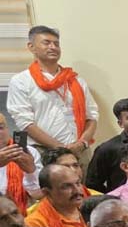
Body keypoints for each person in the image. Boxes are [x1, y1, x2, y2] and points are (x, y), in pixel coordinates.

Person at [5, 26, 98, 167]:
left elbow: (92, 116)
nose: (53, 47)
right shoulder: (21, 81)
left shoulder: (75, 80)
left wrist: (82, 143)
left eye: (56, 43)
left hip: (79, 152)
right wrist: (62, 149)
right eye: (46, 43)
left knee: (84, 182)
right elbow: (25, 123)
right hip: (44, 152)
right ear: (31, 47)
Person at [24, 164, 89, 227]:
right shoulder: (35, 225)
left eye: (78, 183)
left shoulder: (92, 207)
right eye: (66, 186)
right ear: (46, 192)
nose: (77, 191)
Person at [0, 114, 42, 215]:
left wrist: (31, 171)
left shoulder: (27, 152)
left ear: (7, 129)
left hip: (27, 214)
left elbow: (39, 194)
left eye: (0, 128)